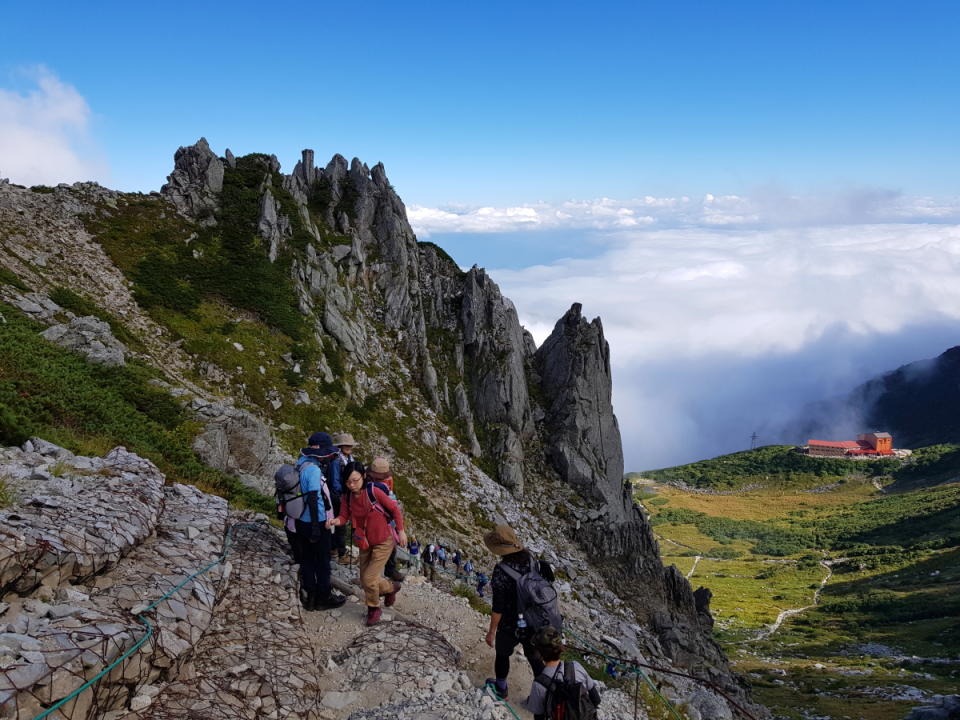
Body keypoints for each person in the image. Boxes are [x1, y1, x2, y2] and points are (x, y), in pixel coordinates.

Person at [330, 461, 407, 625]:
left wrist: (401, 531)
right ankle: (391, 588)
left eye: (355, 480)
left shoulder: (373, 492)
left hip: (383, 541)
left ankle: (374, 608)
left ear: (364, 476)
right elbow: (344, 516)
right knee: (365, 578)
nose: (352, 485)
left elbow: (394, 510)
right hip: (364, 541)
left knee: (369, 578)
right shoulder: (348, 497)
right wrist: (336, 521)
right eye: (348, 482)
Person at [483, 524, 555, 700]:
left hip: (510, 623)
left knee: (502, 654)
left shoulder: (501, 571)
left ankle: (501, 689)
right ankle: (543, 697)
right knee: (535, 658)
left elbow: (498, 606)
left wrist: (491, 631)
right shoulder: (530, 558)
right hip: (533, 620)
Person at [294, 433, 346, 611]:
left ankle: (310, 596)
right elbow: (314, 497)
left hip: (300, 520)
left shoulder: (300, 463)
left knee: (307, 559)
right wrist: (317, 526)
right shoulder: (314, 470)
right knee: (322, 561)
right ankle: (324, 597)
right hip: (315, 522)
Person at [522, 627, 601, 720]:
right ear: (560, 648)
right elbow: (596, 699)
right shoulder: (576, 666)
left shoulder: (539, 685)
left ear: (539, 653)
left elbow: (538, 716)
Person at [367, 457, 405, 582]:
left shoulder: (367, 485)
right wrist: (401, 530)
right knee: (387, 546)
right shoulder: (381, 489)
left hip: (372, 523)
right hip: (383, 524)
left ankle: (380, 574)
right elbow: (394, 509)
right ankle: (386, 575)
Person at [330, 432, 358, 565]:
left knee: (340, 523)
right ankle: (341, 553)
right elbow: (335, 481)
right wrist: (343, 494)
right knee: (340, 524)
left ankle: (334, 549)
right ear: (340, 446)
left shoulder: (350, 458)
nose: (348, 447)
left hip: (346, 494)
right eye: (345, 445)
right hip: (339, 496)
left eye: (350, 445)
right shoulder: (336, 461)